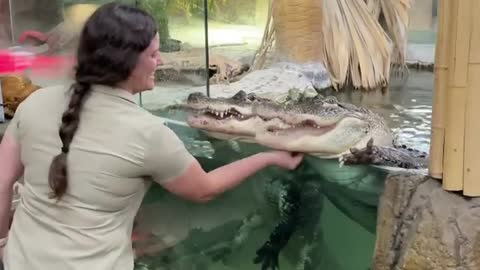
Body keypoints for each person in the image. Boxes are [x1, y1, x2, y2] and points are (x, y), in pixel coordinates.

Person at [0, 3, 303, 270]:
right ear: (127, 61)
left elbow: (1, 186)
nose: (160, 62)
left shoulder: (33, 104)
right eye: (155, 54)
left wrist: (3, 241)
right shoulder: (149, 133)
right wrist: (268, 156)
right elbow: (204, 189)